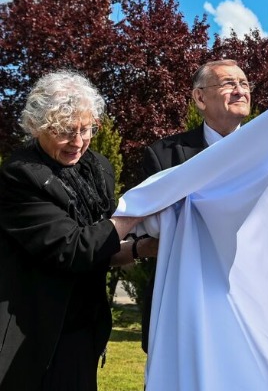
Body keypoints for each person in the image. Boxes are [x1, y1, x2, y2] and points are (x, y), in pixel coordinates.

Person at [0, 70, 156, 391]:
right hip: (37, 333)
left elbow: (100, 246)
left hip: (85, 326)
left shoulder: (98, 168)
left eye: (86, 129)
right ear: (36, 126)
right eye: (66, 131)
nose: (78, 142)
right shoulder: (20, 176)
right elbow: (73, 248)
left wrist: (142, 248)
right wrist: (141, 209)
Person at [138, 59, 252, 353]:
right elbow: (151, 228)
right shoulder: (165, 155)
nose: (240, 91)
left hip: (251, 301)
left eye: (244, 84)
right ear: (199, 97)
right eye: (229, 84)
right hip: (183, 304)